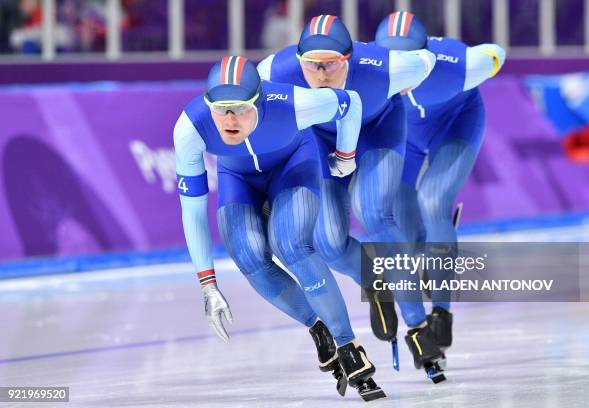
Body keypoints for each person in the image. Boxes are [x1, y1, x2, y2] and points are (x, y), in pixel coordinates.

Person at [173, 55, 385, 401]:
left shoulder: (292, 103)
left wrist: (346, 156)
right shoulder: (190, 128)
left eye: (239, 108)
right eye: (220, 109)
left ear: (257, 100)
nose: (228, 120)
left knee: (290, 243)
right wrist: (207, 285)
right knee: (248, 255)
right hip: (237, 178)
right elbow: (192, 211)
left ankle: (348, 345)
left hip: (292, 166)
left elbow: (350, 103)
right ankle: (318, 328)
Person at [257, 15, 436, 347]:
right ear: (298, 61)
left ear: (349, 59)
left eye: (332, 65)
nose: (322, 75)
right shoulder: (275, 71)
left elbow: (427, 58)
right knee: (327, 243)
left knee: (373, 212)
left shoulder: (387, 68)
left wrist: (416, 79)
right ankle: (374, 280)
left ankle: (417, 323)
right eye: (312, 65)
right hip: (322, 142)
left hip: (377, 130)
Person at [374, 11, 506, 381]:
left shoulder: (457, 64)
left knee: (432, 200)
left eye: (410, 63)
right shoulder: (364, 67)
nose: (399, 74)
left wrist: (490, 59)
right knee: (400, 227)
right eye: (391, 64)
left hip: (455, 125)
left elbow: (495, 53)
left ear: (426, 56)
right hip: (404, 138)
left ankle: (441, 313)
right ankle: (431, 246)